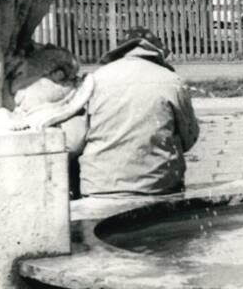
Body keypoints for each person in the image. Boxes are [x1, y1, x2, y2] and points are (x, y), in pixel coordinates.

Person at [62, 28, 199, 197]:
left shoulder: (94, 79)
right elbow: (189, 138)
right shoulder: (172, 80)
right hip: (160, 186)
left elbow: (73, 144)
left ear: (120, 51)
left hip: (101, 187)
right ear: (157, 53)